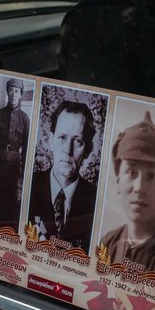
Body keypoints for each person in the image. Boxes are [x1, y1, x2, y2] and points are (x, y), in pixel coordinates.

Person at [100, 111, 155, 277]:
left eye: (151, 176)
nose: (139, 188)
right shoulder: (107, 244)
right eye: (132, 172)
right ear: (118, 181)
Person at [28, 99, 98, 250]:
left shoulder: (97, 201)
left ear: (88, 149)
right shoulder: (28, 187)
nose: (68, 149)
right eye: (62, 138)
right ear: (51, 140)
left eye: (77, 141)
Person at [0, 78, 29, 230]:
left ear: (20, 94)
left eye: (16, 91)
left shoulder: (24, 118)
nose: (13, 94)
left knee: (10, 199)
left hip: (14, 165)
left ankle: (4, 231)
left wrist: (22, 174)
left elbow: (27, 148)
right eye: (11, 90)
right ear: (7, 92)